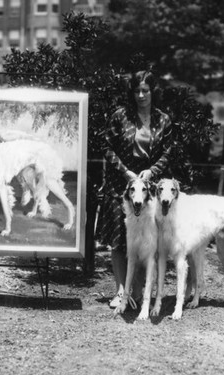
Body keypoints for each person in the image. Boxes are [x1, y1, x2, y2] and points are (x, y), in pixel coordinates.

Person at [98, 70, 173, 308]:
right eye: (137, 91)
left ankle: (140, 290)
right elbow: (107, 148)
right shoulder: (120, 116)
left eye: (145, 91)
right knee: (120, 239)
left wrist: (152, 170)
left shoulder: (163, 120)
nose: (141, 95)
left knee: (148, 239)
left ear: (153, 92)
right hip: (121, 184)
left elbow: (169, 151)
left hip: (150, 189)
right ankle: (121, 291)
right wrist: (125, 171)